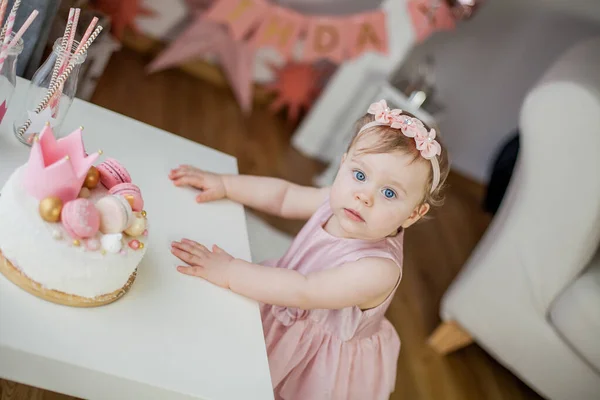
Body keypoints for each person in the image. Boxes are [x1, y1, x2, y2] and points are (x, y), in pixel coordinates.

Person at [169, 99, 450, 400]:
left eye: (389, 193)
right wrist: (226, 184)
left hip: (315, 354)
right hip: (283, 298)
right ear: (343, 164)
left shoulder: (378, 270)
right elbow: (283, 196)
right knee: (233, 357)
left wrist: (228, 271)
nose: (364, 196)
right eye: (359, 175)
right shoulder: (338, 203)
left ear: (413, 214)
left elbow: (304, 290)